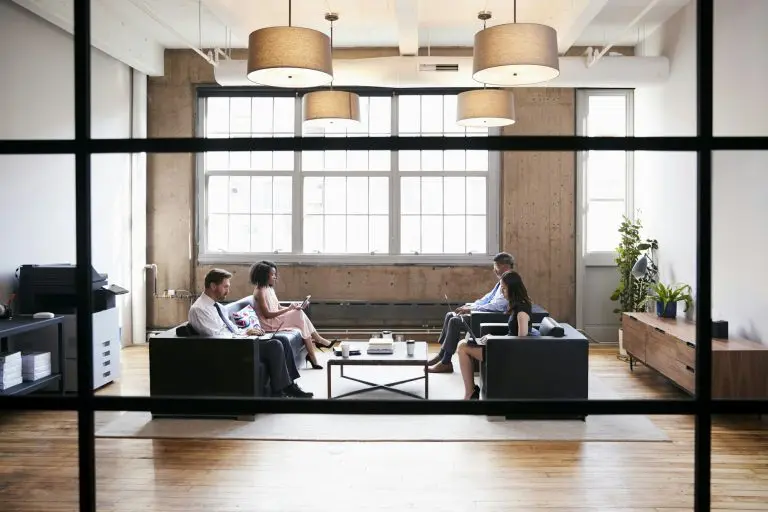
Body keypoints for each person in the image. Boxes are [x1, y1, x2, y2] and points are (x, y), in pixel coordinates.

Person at [188, 268, 313, 398]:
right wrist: (245, 335)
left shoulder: (217, 306)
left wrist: (247, 331)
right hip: (228, 348)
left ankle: (289, 386)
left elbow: (230, 328)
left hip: (236, 341)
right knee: (275, 345)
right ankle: (279, 392)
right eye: (225, 287)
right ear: (213, 286)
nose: (228, 291)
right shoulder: (199, 309)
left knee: (283, 341)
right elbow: (216, 338)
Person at [427, 252, 515, 374]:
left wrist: (471, 310)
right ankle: (442, 355)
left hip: (490, 318)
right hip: (484, 313)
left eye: (497, 266)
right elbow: (486, 299)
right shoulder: (501, 281)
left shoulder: (511, 282)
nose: (494, 270)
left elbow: (498, 306)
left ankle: (446, 362)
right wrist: (470, 305)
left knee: (455, 321)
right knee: (450, 315)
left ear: (505, 266)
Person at [457, 270, 534, 399]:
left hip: (505, 352)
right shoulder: (518, 305)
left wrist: (494, 340)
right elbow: (513, 335)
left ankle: (470, 393)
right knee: (463, 344)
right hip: (503, 346)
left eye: (504, 289)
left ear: (513, 289)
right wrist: (491, 338)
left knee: (462, 348)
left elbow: (521, 343)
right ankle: (471, 391)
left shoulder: (521, 312)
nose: (502, 293)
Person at [250, 261, 335, 370]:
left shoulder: (269, 289)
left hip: (274, 319)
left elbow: (278, 307)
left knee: (298, 313)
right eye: (272, 274)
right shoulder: (259, 292)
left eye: (275, 274)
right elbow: (267, 315)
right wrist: (290, 309)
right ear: (263, 276)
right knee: (299, 315)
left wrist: (292, 308)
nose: (275, 277)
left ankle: (315, 351)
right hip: (268, 324)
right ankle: (318, 343)